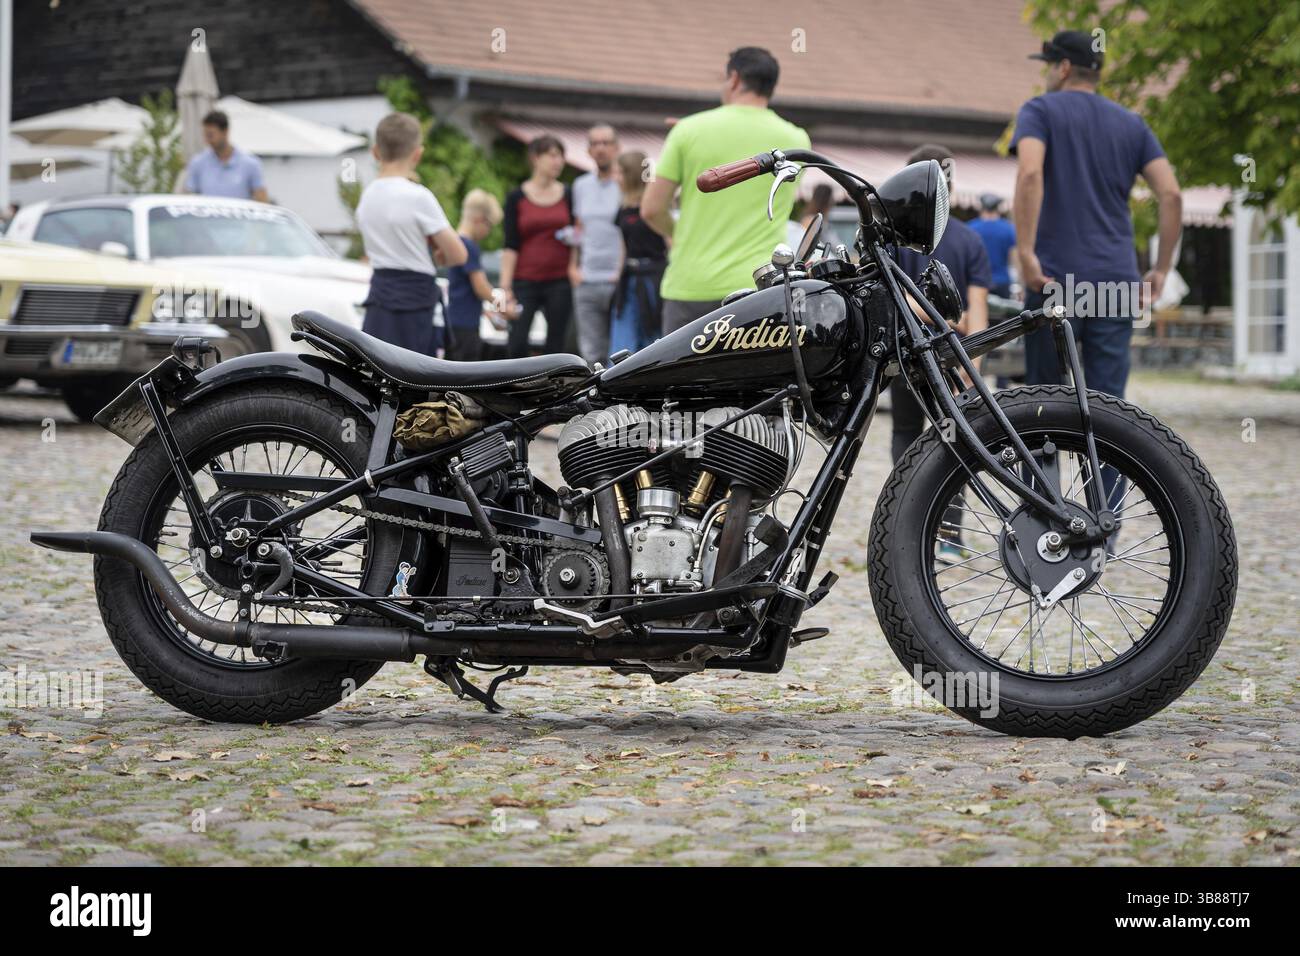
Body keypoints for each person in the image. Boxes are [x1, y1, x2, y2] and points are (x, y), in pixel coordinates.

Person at [1012, 29, 1182, 401]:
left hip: (1053, 279)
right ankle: (1105, 462)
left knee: (1043, 405)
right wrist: (1161, 268)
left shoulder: (1038, 111)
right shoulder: (1132, 125)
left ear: (1064, 68)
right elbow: (1170, 194)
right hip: (1115, 284)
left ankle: (1044, 461)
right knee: (1110, 412)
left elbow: (1030, 173)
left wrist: (1025, 251)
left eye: (1048, 66)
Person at [641, 47, 811, 335]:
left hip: (691, 286)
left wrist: (678, 234)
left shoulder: (688, 131)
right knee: (756, 380)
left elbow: (651, 209)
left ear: (734, 78)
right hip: (760, 288)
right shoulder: (796, 138)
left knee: (681, 380)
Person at [890, 145, 991, 562]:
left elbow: (886, 297)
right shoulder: (971, 241)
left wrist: (923, 311)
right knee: (954, 441)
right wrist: (974, 365)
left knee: (905, 437)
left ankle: (906, 529)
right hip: (952, 357)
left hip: (904, 353)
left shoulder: (894, 237)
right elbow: (978, 314)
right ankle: (948, 535)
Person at [355, 112, 467, 355]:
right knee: (414, 381)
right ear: (418, 154)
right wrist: (440, 255)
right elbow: (459, 254)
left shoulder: (367, 196)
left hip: (380, 296)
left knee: (375, 373)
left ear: (375, 152)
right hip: (415, 300)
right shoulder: (418, 196)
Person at [501, 135, 575, 358]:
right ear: (535, 158)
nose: (558, 161)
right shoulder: (516, 197)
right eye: (552, 155)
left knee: (556, 345)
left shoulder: (569, 195)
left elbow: (578, 236)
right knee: (517, 342)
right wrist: (505, 287)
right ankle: (515, 389)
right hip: (525, 281)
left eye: (561, 156)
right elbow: (510, 243)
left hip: (560, 281)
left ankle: (555, 390)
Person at [569, 124, 623, 364]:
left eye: (606, 143)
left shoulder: (627, 184)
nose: (600, 148)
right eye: (595, 143)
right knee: (590, 354)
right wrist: (573, 267)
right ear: (588, 150)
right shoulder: (580, 185)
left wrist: (621, 272)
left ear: (616, 148)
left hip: (618, 279)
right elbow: (579, 228)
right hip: (587, 279)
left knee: (620, 351)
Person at [610, 151, 667, 357]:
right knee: (623, 337)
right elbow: (624, 247)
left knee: (652, 337)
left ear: (631, 174)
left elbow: (669, 242)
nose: (616, 178)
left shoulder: (656, 207)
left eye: (619, 173)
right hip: (629, 279)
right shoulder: (623, 210)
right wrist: (617, 277)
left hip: (653, 277)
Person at [445, 189, 504, 362]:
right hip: (466, 326)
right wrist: (504, 306)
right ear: (479, 219)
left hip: (454, 321)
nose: (488, 232)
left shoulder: (455, 242)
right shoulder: (469, 246)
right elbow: (481, 288)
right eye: (489, 226)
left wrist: (487, 312)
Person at [181, 110, 269, 201]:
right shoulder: (198, 163)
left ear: (225, 132)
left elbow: (261, 199)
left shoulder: (251, 164)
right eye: (205, 135)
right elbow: (189, 197)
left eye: (210, 135)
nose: (207, 140)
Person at [968, 193, 1016, 298]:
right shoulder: (1008, 229)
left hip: (977, 282)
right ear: (997, 208)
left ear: (982, 208)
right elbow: (1014, 258)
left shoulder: (970, 228)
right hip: (1002, 281)